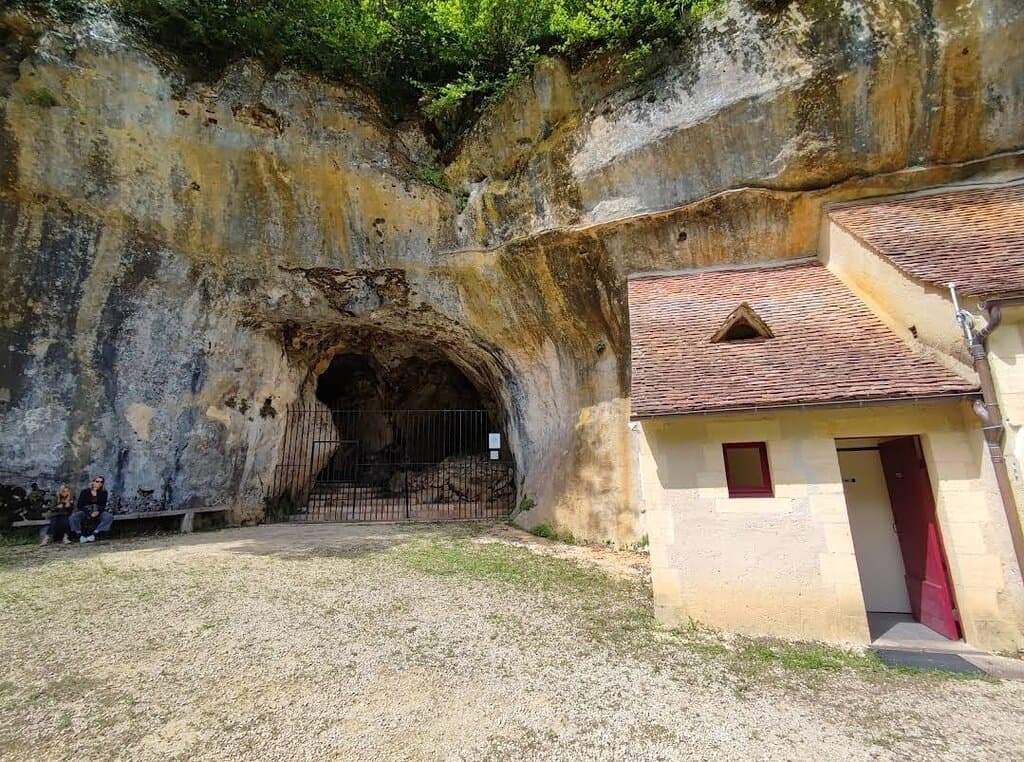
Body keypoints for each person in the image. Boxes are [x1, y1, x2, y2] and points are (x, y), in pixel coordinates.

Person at [70, 476, 112, 543]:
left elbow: (103, 505)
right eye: (97, 481)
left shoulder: (104, 492)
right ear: (93, 482)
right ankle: (80, 535)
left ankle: (94, 534)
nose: (99, 483)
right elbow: (80, 505)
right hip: (86, 510)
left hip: (98, 510)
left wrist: (98, 512)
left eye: (101, 482)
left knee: (108, 516)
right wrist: (89, 513)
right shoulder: (85, 492)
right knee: (73, 517)